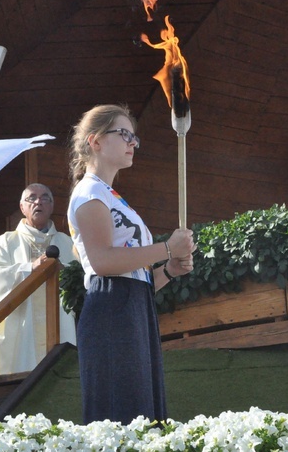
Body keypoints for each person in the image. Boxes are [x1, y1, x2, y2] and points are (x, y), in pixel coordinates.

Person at [67, 104, 196, 424]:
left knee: (143, 412)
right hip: (110, 311)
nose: (132, 143)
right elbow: (102, 262)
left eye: (134, 137)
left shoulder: (111, 195)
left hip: (132, 308)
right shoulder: (89, 193)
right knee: (123, 413)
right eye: (124, 134)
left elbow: (134, 276)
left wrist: (168, 270)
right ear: (95, 141)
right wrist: (166, 248)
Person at [0, 183, 77, 375]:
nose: (38, 202)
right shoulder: (3, 244)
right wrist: (30, 269)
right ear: (22, 207)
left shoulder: (68, 243)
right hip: (21, 333)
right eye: (31, 198)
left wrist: (63, 272)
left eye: (44, 198)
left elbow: (81, 284)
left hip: (62, 329)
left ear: (52, 206)